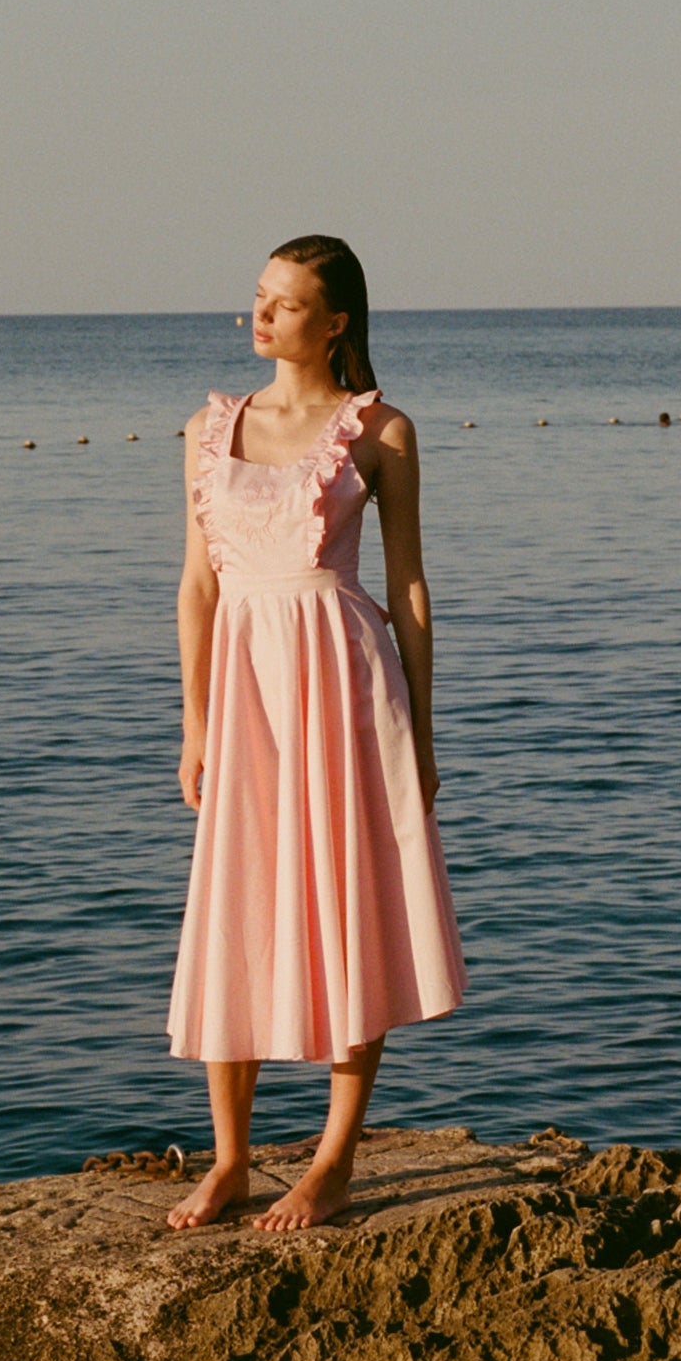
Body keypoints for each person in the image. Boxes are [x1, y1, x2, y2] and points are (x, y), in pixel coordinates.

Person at [165, 234, 467, 1235]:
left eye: (285, 303)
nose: (260, 315)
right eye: (259, 295)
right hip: (244, 685)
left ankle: (333, 1161)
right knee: (234, 897)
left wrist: (423, 733)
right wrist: (194, 720)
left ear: (334, 323)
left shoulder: (381, 429)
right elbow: (197, 586)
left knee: (348, 904)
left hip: (343, 681)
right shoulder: (209, 428)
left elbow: (408, 586)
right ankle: (231, 1159)